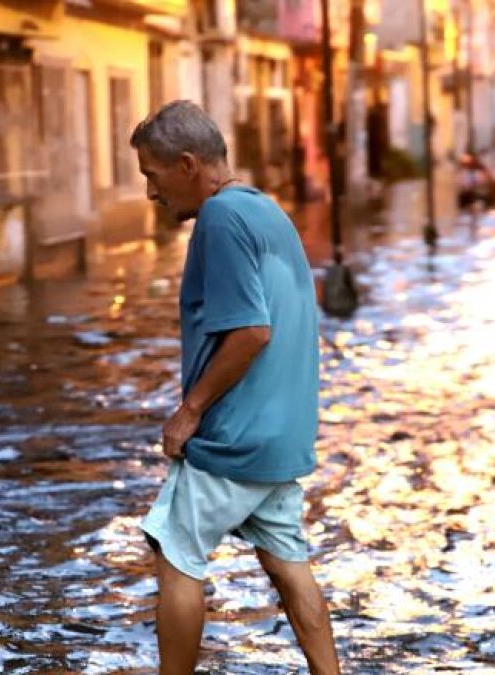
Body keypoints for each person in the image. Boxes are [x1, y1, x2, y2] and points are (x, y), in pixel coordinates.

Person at [129, 100, 341, 675]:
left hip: (234, 436)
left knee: (176, 554)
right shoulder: (265, 209)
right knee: (288, 566)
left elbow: (251, 332)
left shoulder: (220, 218)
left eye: (153, 175)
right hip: (282, 435)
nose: (151, 192)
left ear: (188, 165)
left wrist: (190, 411)